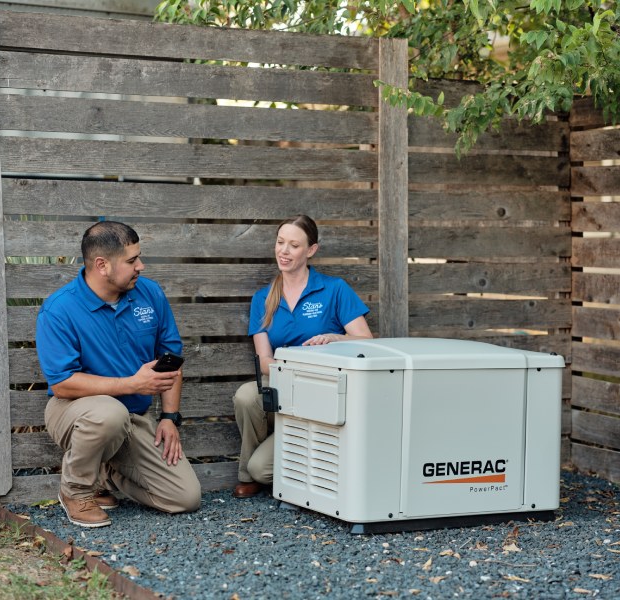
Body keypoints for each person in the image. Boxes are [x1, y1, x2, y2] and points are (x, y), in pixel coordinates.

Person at [36, 221, 201, 527]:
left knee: (185, 498)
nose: (141, 266)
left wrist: (169, 417)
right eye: (131, 260)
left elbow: (171, 360)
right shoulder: (59, 309)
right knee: (109, 414)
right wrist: (132, 384)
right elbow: (62, 384)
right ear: (102, 265)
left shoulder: (149, 293)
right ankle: (76, 492)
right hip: (75, 411)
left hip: (133, 417)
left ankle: (106, 474)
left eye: (138, 257)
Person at [233, 215, 373, 498]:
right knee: (247, 397)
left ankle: (314, 460)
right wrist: (296, 376)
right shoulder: (263, 298)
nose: (284, 251)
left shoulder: (334, 289)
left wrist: (336, 338)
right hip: (285, 389)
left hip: (325, 393)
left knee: (264, 468)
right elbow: (264, 360)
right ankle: (248, 475)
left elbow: (367, 343)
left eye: (294, 245)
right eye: (280, 242)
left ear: (311, 250)